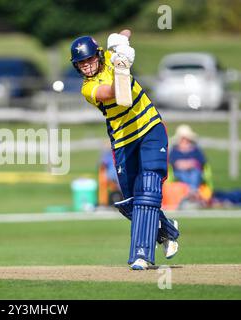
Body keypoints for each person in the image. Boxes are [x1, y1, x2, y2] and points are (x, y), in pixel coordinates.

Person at [70, 29, 180, 270]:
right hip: (122, 141)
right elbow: (117, 95)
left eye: (89, 60)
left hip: (149, 128)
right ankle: (167, 230)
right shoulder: (88, 89)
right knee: (132, 201)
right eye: (81, 63)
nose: (87, 66)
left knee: (149, 187)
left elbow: (124, 33)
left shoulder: (111, 56)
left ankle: (142, 255)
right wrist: (122, 67)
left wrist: (122, 43)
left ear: (98, 56)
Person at [169, 124, 206, 196]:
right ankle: (191, 193)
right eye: (183, 139)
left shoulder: (195, 149)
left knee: (195, 174)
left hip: (194, 170)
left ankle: (192, 192)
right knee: (183, 174)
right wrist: (181, 164)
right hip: (179, 172)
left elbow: (202, 161)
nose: (185, 141)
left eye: (186, 139)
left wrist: (192, 163)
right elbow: (172, 162)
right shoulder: (175, 150)